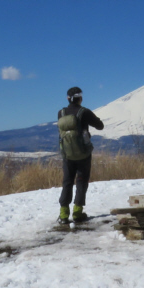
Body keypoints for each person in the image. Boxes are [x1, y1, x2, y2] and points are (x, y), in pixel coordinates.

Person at [57, 86, 104, 223]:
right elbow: (100, 126)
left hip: (67, 154)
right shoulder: (84, 112)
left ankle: (64, 214)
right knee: (82, 181)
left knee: (67, 181)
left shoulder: (61, 113)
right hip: (83, 154)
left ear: (68, 98)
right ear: (80, 98)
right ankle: (77, 213)